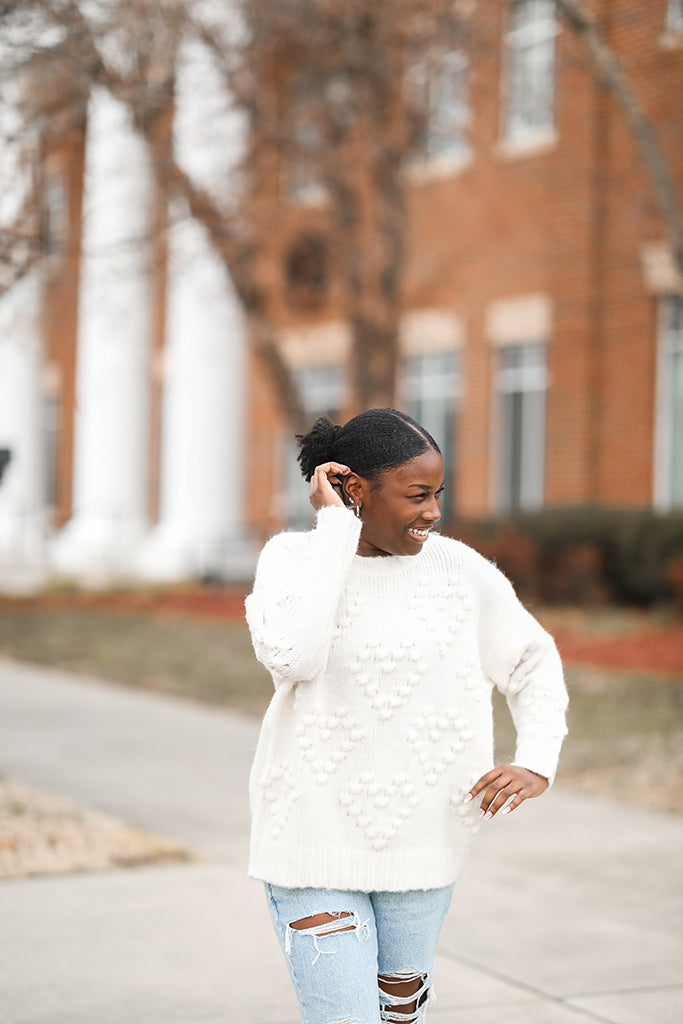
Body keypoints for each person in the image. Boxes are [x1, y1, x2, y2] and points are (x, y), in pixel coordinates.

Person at [245, 408, 568, 1024]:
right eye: (418, 495)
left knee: (399, 1018)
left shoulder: (460, 572)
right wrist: (336, 532)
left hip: (425, 847)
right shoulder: (292, 560)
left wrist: (537, 760)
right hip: (309, 840)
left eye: (438, 494)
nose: (434, 512)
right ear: (355, 491)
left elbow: (532, 662)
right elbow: (294, 657)